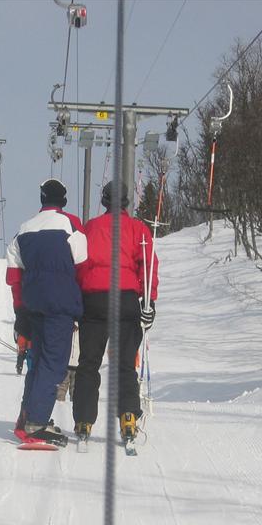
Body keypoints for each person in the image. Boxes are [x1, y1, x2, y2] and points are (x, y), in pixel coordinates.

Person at [72, 181, 158, 443]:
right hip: (126, 299)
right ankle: (128, 417)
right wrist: (149, 302)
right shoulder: (138, 229)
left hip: (95, 299)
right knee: (124, 365)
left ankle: (84, 420)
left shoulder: (91, 228)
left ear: (104, 201)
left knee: (89, 363)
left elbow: (80, 265)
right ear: (126, 202)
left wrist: (79, 298)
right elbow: (149, 265)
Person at [6, 178, 87, 447]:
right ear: (63, 200)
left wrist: (20, 310)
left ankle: (26, 417)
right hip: (59, 305)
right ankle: (36, 423)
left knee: (39, 362)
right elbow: (83, 264)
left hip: (33, 304)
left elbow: (14, 274)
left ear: (42, 199)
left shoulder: (24, 229)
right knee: (54, 364)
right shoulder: (70, 225)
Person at [56, 322, 79, 402]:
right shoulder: (65, 324)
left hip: (77, 365)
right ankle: (59, 410)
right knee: (60, 392)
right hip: (65, 364)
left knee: (75, 393)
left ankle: (74, 411)